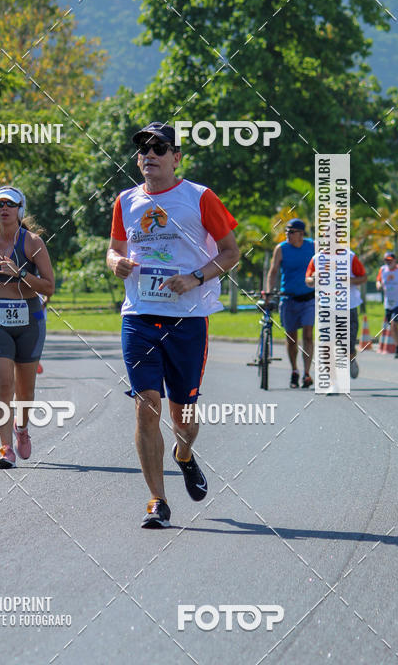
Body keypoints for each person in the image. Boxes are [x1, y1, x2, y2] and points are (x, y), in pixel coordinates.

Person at [107, 122, 239, 529]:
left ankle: (184, 454)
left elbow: (232, 252)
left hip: (187, 319)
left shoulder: (199, 197)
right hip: (139, 316)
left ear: (176, 156)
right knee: (146, 408)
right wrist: (117, 264)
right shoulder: (125, 201)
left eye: (159, 148)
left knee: (184, 417)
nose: (149, 155)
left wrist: (196, 277)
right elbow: (113, 250)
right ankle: (157, 501)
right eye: (143, 149)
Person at [0, 185, 55, 468]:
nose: (4, 208)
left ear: (20, 209)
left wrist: (21, 273)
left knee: (25, 390)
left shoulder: (33, 242)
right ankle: (5, 448)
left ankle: (22, 428)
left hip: (29, 319)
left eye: (10, 204)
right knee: (4, 382)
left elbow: (49, 286)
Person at [266, 218, 315, 389]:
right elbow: (273, 272)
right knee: (291, 339)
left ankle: (307, 373)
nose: (287, 234)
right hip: (288, 298)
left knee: (308, 335)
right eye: (286, 231)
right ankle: (294, 370)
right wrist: (268, 292)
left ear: (301, 234)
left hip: (309, 298)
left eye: (291, 232)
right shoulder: (281, 249)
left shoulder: (312, 246)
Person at [305, 250, 367, 378]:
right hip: (325, 306)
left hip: (348, 306)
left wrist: (348, 280)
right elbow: (308, 280)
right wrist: (314, 278)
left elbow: (364, 277)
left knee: (347, 346)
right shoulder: (317, 258)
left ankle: (350, 358)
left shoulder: (349, 257)